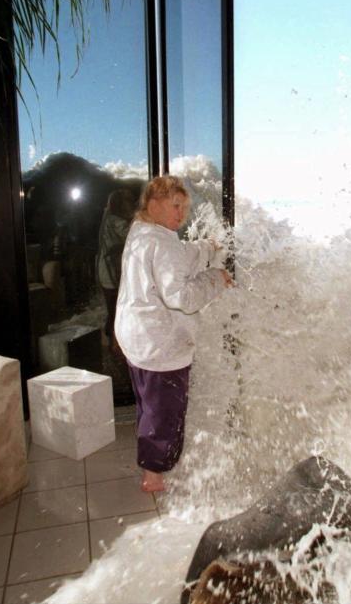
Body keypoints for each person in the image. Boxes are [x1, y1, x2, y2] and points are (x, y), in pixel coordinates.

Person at [115, 175, 233, 493]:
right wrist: (215, 279)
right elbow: (180, 296)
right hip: (160, 344)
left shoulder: (142, 233)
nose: (181, 215)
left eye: (184, 207)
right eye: (175, 206)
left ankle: (150, 460)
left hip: (136, 337)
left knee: (148, 404)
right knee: (165, 410)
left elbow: (177, 256)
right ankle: (153, 475)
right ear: (153, 204)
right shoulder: (160, 241)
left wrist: (207, 248)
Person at [96, 188, 136, 345]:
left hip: (107, 271)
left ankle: (112, 340)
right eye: (128, 203)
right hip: (110, 272)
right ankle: (115, 343)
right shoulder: (114, 221)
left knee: (113, 309)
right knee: (116, 310)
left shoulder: (108, 217)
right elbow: (132, 234)